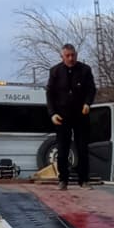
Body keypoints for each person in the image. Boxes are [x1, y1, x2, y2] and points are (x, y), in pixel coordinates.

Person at [45, 43, 96, 189]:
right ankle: (63, 180)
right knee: (62, 149)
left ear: (76, 55)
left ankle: (84, 180)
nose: (71, 58)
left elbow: (91, 89)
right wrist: (52, 113)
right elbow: (50, 94)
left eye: (73, 55)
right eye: (67, 56)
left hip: (81, 115)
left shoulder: (85, 70)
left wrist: (87, 103)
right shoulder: (55, 71)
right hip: (62, 116)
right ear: (62, 57)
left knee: (82, 148)